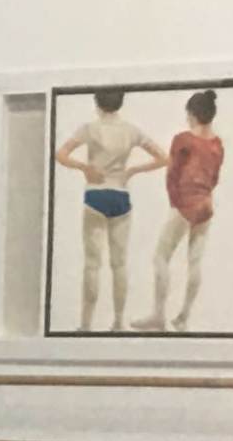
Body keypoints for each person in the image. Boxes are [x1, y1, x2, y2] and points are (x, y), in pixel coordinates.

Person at [54, 85, 161, 331]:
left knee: (92, 264)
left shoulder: (89, 129)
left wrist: (84, 168)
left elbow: (61, 154)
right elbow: (163, 157)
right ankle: (118, 322)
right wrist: (133, 170)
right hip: (121, 196)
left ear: (97, 102)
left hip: (95, 195)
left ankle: (85, 325)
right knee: (119, 264)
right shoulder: (132, 130)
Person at [142, 88, 224, 328]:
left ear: (193, 115)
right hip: (206, 204)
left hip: (186, 202)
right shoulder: (217, 144)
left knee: (160, 256)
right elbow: (215, 177)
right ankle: (183, 317)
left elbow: (172, 174)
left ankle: (158, 315)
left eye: (188, 114)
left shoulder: (183, 140)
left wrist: (175, 202)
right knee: (195, 261)